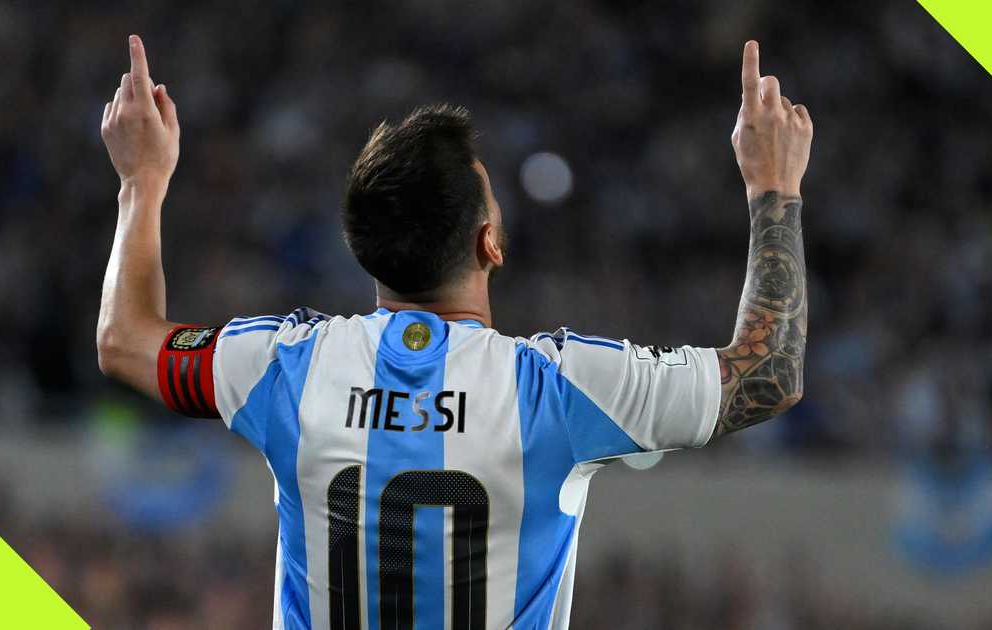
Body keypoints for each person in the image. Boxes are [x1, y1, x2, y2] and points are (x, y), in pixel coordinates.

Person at [97, 34, 811, 630]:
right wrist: (772, 185)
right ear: (490, 244)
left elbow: (125, 340)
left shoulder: (286, 368)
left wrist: (143, 182)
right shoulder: (556, 390)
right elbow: (769, 372)